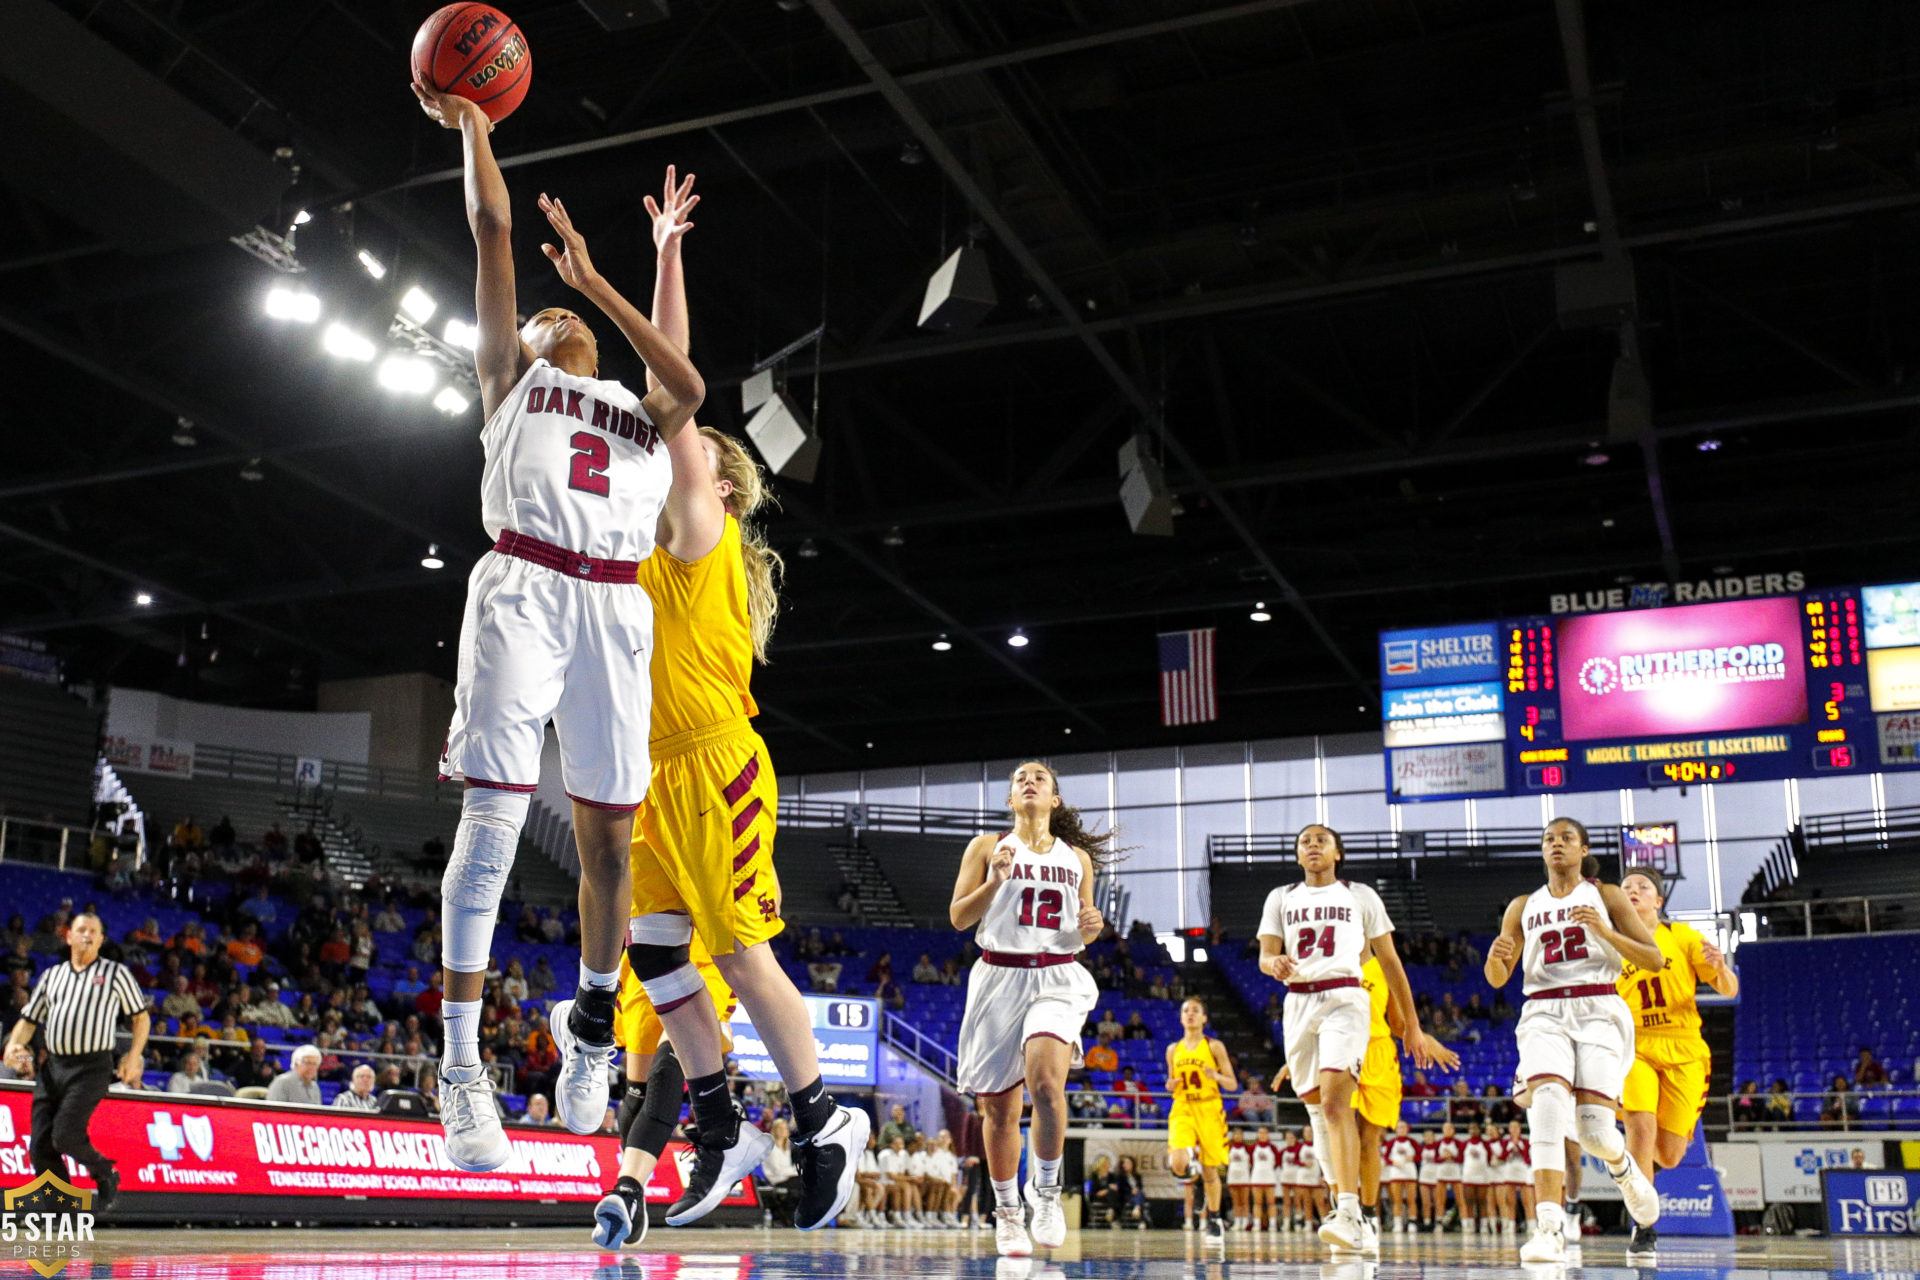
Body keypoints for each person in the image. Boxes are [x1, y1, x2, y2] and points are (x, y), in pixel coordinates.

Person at [407, 80, 706, 1174]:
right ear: (528, 340)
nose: (561, 317)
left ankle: (588, 1029)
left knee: (611, 842)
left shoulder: (639, 411)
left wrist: (641, 261)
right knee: (490, 818)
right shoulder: (510, 378)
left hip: (615, 603)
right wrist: (477, 124)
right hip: (524, 585)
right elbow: (491, 227)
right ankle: (462, 1062)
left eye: (570, 314)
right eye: (550, 312)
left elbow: (684, 373)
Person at [593, 167, 865, 1234]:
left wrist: (661, 256)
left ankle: (823, 1114)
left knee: (743, 950)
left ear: (721, 479)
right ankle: (720, 1118)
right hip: (654, 770)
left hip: (713, 761)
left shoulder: (700, 527)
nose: (670, 442)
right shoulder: (644, 543)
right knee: (656, 954)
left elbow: (672, 389)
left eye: (691, 448)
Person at [1485, 817, 1666, 1263]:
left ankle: (1623, 1168)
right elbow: (1496, 979)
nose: (1556, 844)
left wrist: (1606, 932)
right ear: (1542, 850)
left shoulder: (1605, 895)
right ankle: (1548, 1227)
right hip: (1544, 1010)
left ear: (1583, 850)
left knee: (1595, 1132)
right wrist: (1495, 959)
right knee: (1546, 1104)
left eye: (1566, 838)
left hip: (1599, 1008)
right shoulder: (1521, 906)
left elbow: (1654, 959)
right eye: (1549, 838)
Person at [1257, 824, 1442, 1254]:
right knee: (1319, 1113)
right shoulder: (1280, 897)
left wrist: (1412, 1025)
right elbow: (1266, 954)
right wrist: (1274, 963)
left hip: (1346, 998)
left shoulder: (1360, 895)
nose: (1313, 845)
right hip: (1299, 1003)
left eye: (1322, 839)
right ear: (1298, 855)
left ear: (1337, 852)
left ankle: (1347, 1208)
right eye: (1304, 841)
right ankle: (1349, 1210)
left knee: (1337, 1103)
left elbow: (1391, 962)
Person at [951, 761, 1111, 1257]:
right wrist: (994, 881)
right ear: (1010, 800)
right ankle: (1006, 1212)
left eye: (1039, 778)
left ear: (1054, 800)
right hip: (999, 976)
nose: (1028, 782)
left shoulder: (1078, 858)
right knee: (998, 1111)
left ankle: (1045, 1193)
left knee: (1046, 1083)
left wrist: (1093, 924)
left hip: (1057, 976)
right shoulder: (986, 846)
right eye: (1020, 778)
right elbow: (959, 918)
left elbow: (1084, 928)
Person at [1616, 866, 1740, 1257]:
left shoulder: (1682, 937)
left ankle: (1614, 1136)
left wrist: (1720, 969)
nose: (1634, 891)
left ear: (1659, 900)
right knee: (1640, 1125)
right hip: (1635, 1047)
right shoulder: (1609, 945)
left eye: (1643, 887)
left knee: (1668, 1154)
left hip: (1684, 1048)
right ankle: (1643, 1225)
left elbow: (1729, 988)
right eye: (1626, 888)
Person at [3, 912, 148, 1211]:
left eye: (94, 931)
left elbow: (141, 1017)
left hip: (91, 1067)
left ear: (101, 939)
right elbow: (29, 1020)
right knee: (40, 1148)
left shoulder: (115, 973)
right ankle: (63, 1213)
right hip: (52, 1066)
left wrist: (134, 1055)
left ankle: (105, 1171)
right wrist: (13, 1045)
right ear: (68, 936)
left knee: (65, 1136)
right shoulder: (52, 976)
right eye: (81, 930)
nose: (87, 935)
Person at [1165, 996, 1236, 1242]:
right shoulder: (1173, 1049)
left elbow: (1232, 1083)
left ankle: (1214, 1218)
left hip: (1209, 1108)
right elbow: (1170, 1083)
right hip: (1183, 1106)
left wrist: (1215, 1075)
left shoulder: (1214, 1046)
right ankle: (1192, 1181)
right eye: (1186, 1010)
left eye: (1195, 1010)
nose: (1190, 1014)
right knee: (1177, 1162)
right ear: (1181, 1017)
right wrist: (1170, 1084)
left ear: (1204, 1018)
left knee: (1210, 1170)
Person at [1383, 1120, 1420, 1233]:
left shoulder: (1412, 1142)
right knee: (1397, 1200)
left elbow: (1419, 1156)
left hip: (1410, 1173)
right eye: (1399, 1127)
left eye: (1403, 1127)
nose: (1401, 1129)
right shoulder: (1391, 1142)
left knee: (1411, 1199)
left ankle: (1412, 1223)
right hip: (1396, 1173)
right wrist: (1392, 1162)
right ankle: (1398, 1223)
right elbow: (1385, 1157)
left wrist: (1413, 1158)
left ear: (1407, 1129)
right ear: (1396, 1129)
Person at [1248, 1125, 1280, 1230]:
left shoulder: (1273, 1148)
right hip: (1256, 1177)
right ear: (1257, 1135)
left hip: (1269, 1177)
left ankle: (1272, 1224)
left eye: (1264, 1133)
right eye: (1260, 1133)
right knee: (1257, 1202)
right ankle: (1257, 1224)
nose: (1262, 1135)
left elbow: (1277, 1162)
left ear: (1268, 1135)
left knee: (1271, 1202)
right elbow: (1250, 1162)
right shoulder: (1252, 1147)